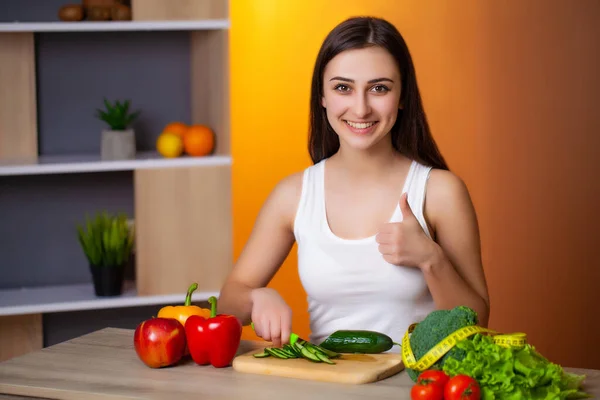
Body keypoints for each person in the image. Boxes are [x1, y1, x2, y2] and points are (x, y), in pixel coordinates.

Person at [217, 16, 490, 350]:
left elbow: (477, 321)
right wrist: (257, 297)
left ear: (402, 96)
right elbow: (230, 300)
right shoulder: (293, 195)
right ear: (322, 96)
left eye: (379, 88)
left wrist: (431, 260)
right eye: (343, 87)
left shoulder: (441, 192)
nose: (360, 109)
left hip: (418, 387)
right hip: (328, 384)